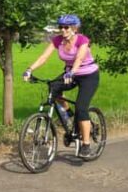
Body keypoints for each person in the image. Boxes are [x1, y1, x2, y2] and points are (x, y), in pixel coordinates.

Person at [23, 14, 100, 158]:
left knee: (82, 108)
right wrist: (29, 69)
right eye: (60, 27)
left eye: (66, 27)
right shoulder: (57, 40)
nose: (62, 30)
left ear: (74, 28)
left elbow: (79, 58)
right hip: (70, 73)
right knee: (53, 88)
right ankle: (69, 113)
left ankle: (86, 144)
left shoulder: (82, 40)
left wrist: (72, 72)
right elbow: (43, 57)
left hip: (88, 75)